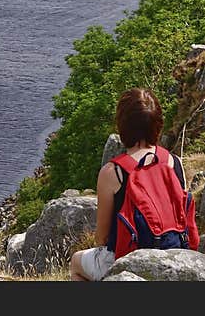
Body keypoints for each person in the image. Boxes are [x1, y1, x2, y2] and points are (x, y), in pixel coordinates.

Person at [69, 88, 198, 281]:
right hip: (175, 253)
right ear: (157, 124)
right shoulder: (174, 162)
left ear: (123, 125)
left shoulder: (113, 172)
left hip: (128, 257)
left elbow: (102, 238)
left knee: (76, 263)